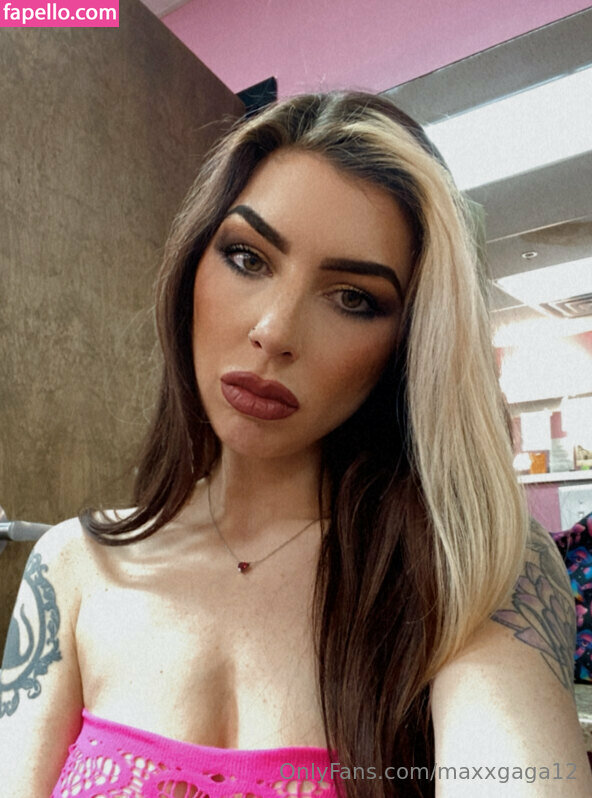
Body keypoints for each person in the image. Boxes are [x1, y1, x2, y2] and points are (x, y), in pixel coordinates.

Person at [0, 91, 589, 798]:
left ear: (407, 345)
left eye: (353, 298)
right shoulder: (70, 566)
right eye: (247, 257)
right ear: (192, 266)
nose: (275, 331)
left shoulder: (471, 566)